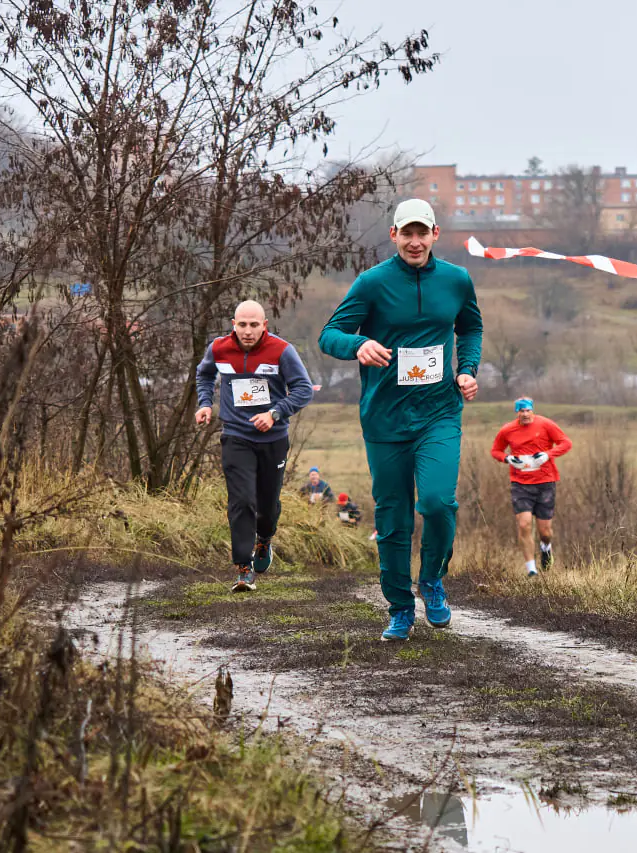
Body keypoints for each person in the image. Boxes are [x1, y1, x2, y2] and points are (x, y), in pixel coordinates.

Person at [319, 198, 482, 642]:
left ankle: (431, 580)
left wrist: (467, 368)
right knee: (393, 518)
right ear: (393, 235)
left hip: (439, 413)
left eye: (421, 232)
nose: (414, 241)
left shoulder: (456, 279)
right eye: (405, 233)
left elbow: (470, 328)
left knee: (436, 502)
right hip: (386, 419)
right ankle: (399, 608)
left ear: (435, 234)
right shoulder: (372, 284)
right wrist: (357, 345)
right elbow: (328, 335)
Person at [196, 300, 315, 593]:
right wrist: (205, 403)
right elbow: (205, 374)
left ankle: (265, 539)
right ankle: (243, 568)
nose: (248, 331)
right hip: (236, 435)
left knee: (267, 505)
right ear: (233, 325)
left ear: (264, 326)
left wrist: (275, 413)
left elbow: (303, 389)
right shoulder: (219, 348)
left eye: (254, 325)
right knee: (242, 501)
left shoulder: (282, 351)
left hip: (273, 439)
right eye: (242, 325)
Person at [490, 397, 572, 577]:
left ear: (532, 410)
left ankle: (546, 547)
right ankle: (531, 569)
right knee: (524, 524)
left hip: (545, 482)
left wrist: (547, 455)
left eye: (528, 410)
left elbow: (566, 443)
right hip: (520, 484)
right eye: (521, 411)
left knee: (545, 531)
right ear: (517, 413)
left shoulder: (546, 424)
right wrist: (508, 459)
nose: (525, 414)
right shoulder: (508, 430)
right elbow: (495, 450)